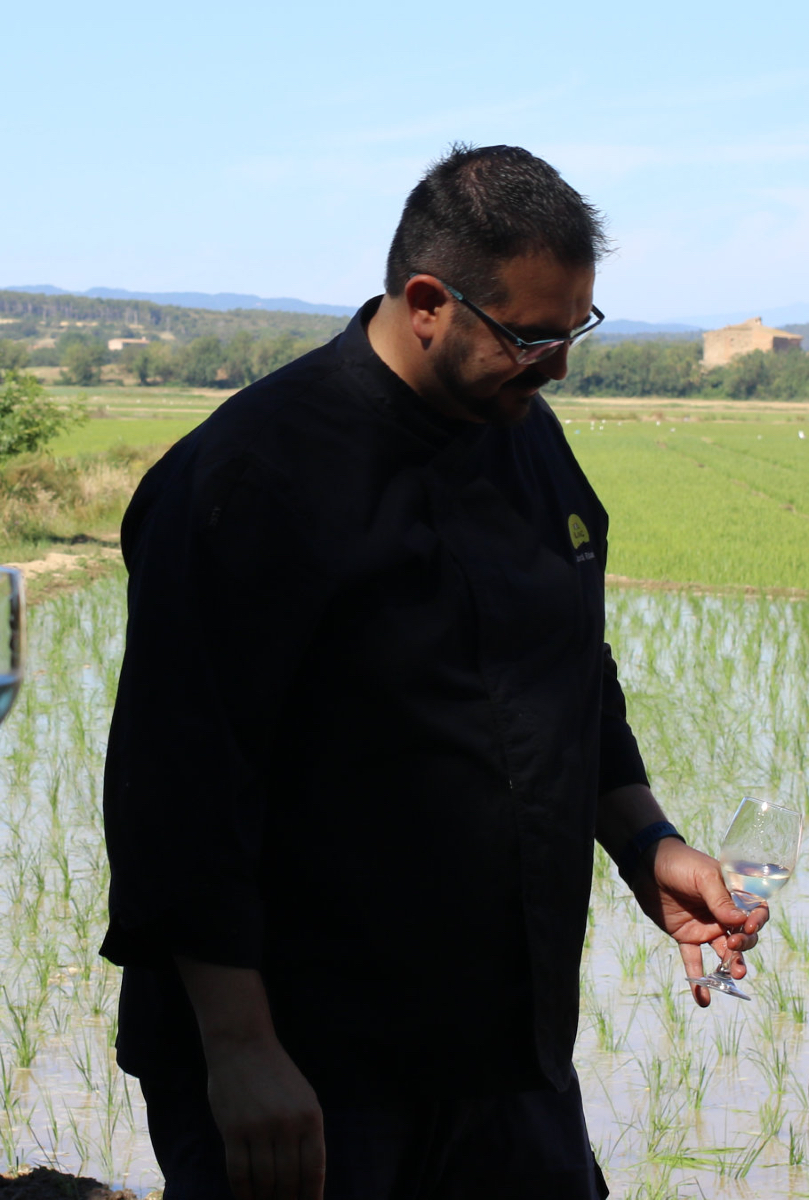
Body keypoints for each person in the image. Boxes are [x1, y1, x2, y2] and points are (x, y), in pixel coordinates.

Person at [101, 144, 765, 1200]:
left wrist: (647, 840)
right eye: (533, 335)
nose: (559, 365)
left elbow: (567, 674)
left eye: (577, 328)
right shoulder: (247, 479)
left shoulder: (527, 442)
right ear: (426, 302)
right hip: (310, 1068)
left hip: (503, 1052)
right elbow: (176, 788)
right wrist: (239, 1048)